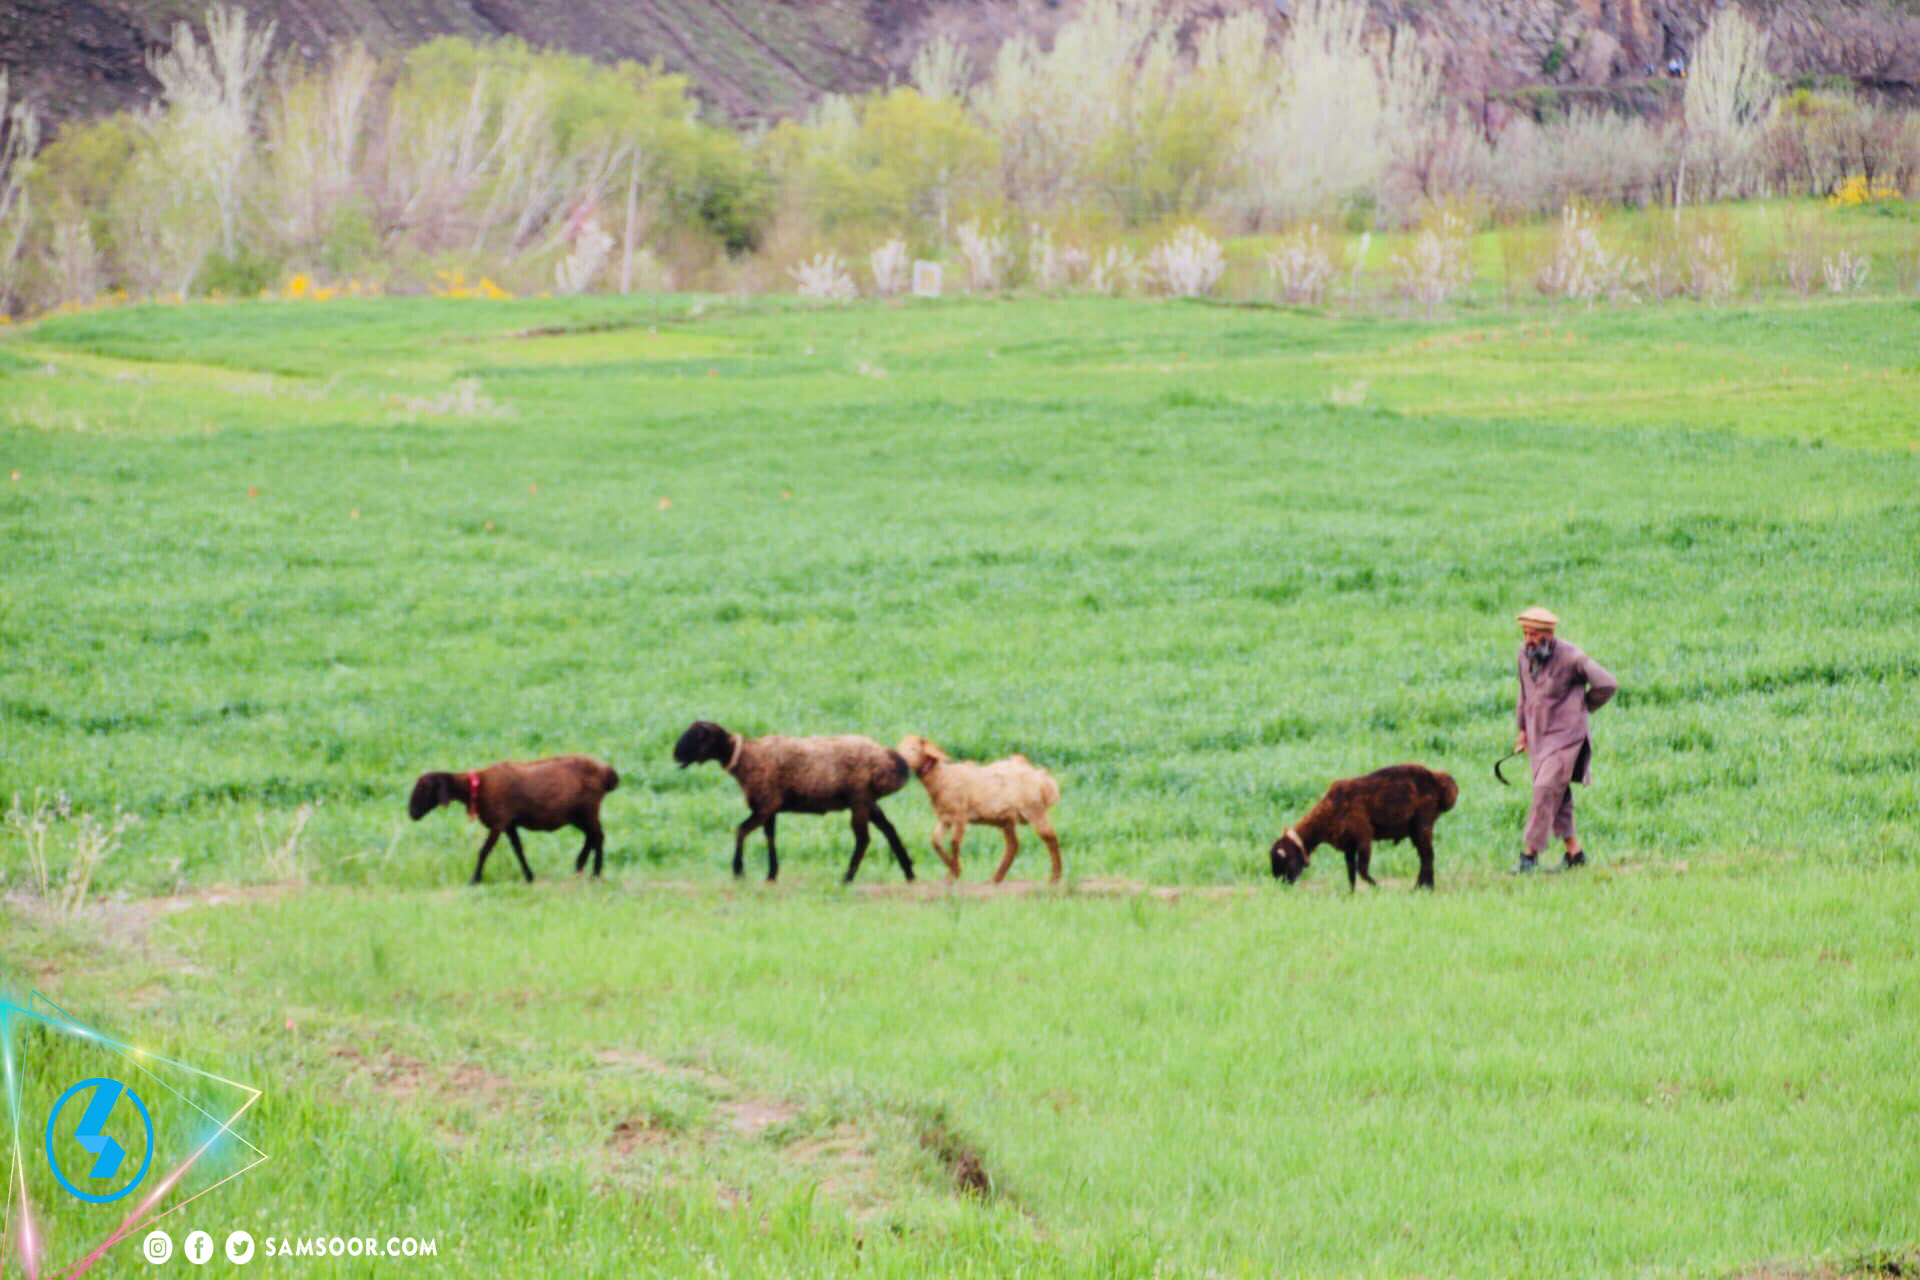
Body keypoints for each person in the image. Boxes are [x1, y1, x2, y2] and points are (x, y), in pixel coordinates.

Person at [1511, 606, 1617, 873]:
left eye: (1533, 634)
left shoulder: (1572, 657)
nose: (1528, 639)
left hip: (1567, 737)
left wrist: (1582, 707)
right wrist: (1522, 730)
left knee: (1544, 790)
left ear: (1548, 634)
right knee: (1558, 794)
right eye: (1525, 633)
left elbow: (1607, 684)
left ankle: (1529, 856)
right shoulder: (1524, 657)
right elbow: (1523, 696)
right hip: (1538, 737)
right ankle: (1575, 854)